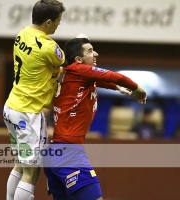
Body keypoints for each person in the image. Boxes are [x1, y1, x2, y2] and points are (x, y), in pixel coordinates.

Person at [43, 37, 147, 200]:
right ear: (78, 60)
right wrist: (138, 89)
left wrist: (116, 87)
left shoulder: (74, 74)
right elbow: (116, 77)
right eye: (90, 51)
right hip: (69, 152)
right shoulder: (79, 70)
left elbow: (101, 81)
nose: (96, 54)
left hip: (55, 152)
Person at [3, 1, 66, 200]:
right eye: (58, 21)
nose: (58, 25)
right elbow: (63, 60)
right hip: (28, 113)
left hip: (11, 107)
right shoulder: (49, 47)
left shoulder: (22, 33)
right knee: (32, 172)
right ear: (48, 22)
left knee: (20, 165)